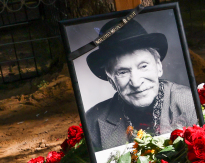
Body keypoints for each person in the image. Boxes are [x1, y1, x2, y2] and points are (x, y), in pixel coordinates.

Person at [85, 18, 198, 151]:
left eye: (143, 66)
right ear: (112, 81)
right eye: (122, 72)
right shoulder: (93, 121)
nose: (136, 83)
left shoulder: (190, 102)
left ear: (159, 66)